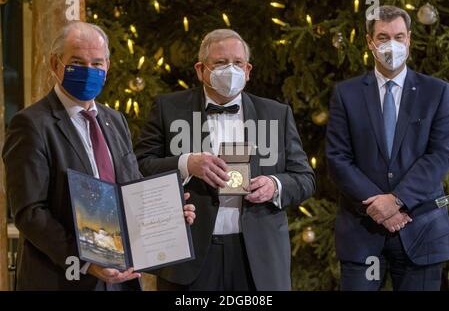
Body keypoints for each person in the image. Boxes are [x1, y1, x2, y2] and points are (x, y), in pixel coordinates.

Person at [2, 21, 196, 291]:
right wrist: (86, 262)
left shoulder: (115, 120)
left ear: (107, 68)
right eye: (78, 62)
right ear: (55, 64)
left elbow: (130, 190)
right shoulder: (31, 124)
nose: (88, 71)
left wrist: (169, 214)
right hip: (62, 278)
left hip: (121, 280)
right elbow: (30, 212)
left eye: (97, 63)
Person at [134, 28, 315, 291]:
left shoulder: (276, 114)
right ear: (200, 69)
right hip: (190, 256)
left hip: (257, 257)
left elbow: (305, 178)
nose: (230, 70)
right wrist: (186, 164)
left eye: (238, 63)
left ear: (248, 70)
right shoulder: (169, 109)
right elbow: (139, 167)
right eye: (220, 63)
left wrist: (275, 185)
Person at [326, 5, 449, 291]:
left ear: (408, 39)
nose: (391, 44)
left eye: (398, 36)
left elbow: (440, 155)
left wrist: (396, 201)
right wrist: (377, 204)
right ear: (370, 42)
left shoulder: (438, 92)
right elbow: (337, 158)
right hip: (362, 232)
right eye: (383, 37)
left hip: (421, 229)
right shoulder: (346, 94)